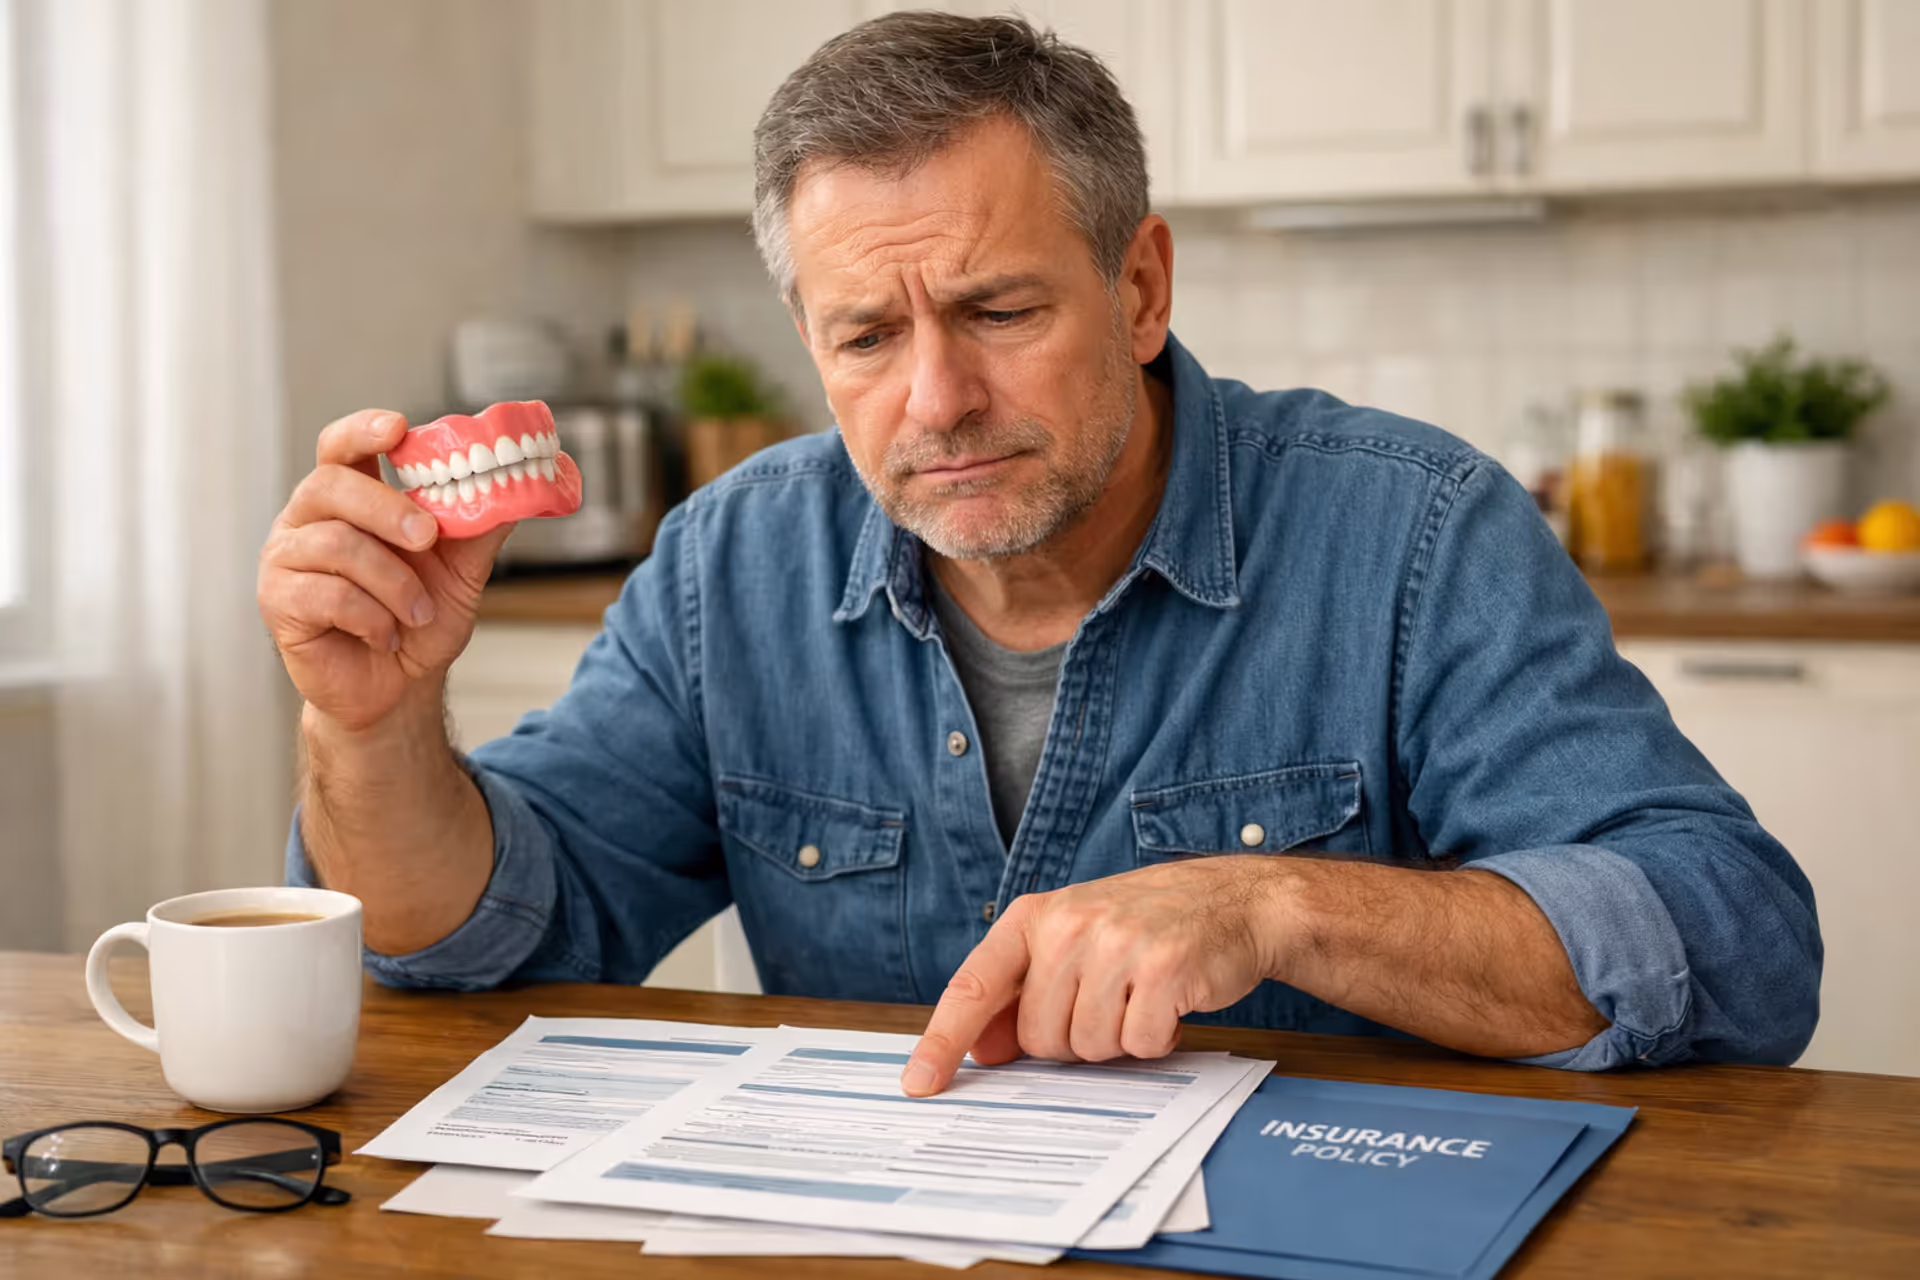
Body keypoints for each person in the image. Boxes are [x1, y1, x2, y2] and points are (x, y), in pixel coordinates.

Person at [257, 12, 1820, 1097]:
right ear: (810, 342)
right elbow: (481, 938)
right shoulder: (732, 560)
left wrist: (1279, 910)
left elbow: (1732, 940)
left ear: (1139, 290)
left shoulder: (1409, 533)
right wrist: (372, 723)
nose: (936, 399)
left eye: (1001, 310)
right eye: (868, 334)